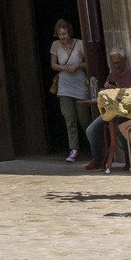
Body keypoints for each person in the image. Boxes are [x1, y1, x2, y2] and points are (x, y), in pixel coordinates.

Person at [84, 49, 131, 171]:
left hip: (129, 112)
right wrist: (107, 89)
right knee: (91, 130)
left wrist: (121, 90)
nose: (116, 66)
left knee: (120, 127)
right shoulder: (111, 75)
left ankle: (130, 159)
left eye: (118, 62)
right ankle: (98, 159)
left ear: (125, 60)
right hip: (112, 111)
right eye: (114, 63)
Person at [50, 19, 90, 159]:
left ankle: (94, 146)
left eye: (64, 34)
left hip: (79, 84)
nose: (62, 37)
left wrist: (77, 66)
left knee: (84, 119)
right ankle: (74, 149)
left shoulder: (79, 44)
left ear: (69, 32)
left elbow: (89, 62)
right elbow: (53, 64)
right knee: (69, 119)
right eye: (59, 34)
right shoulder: (55, 45)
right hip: (64, 85)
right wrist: (63, 68)